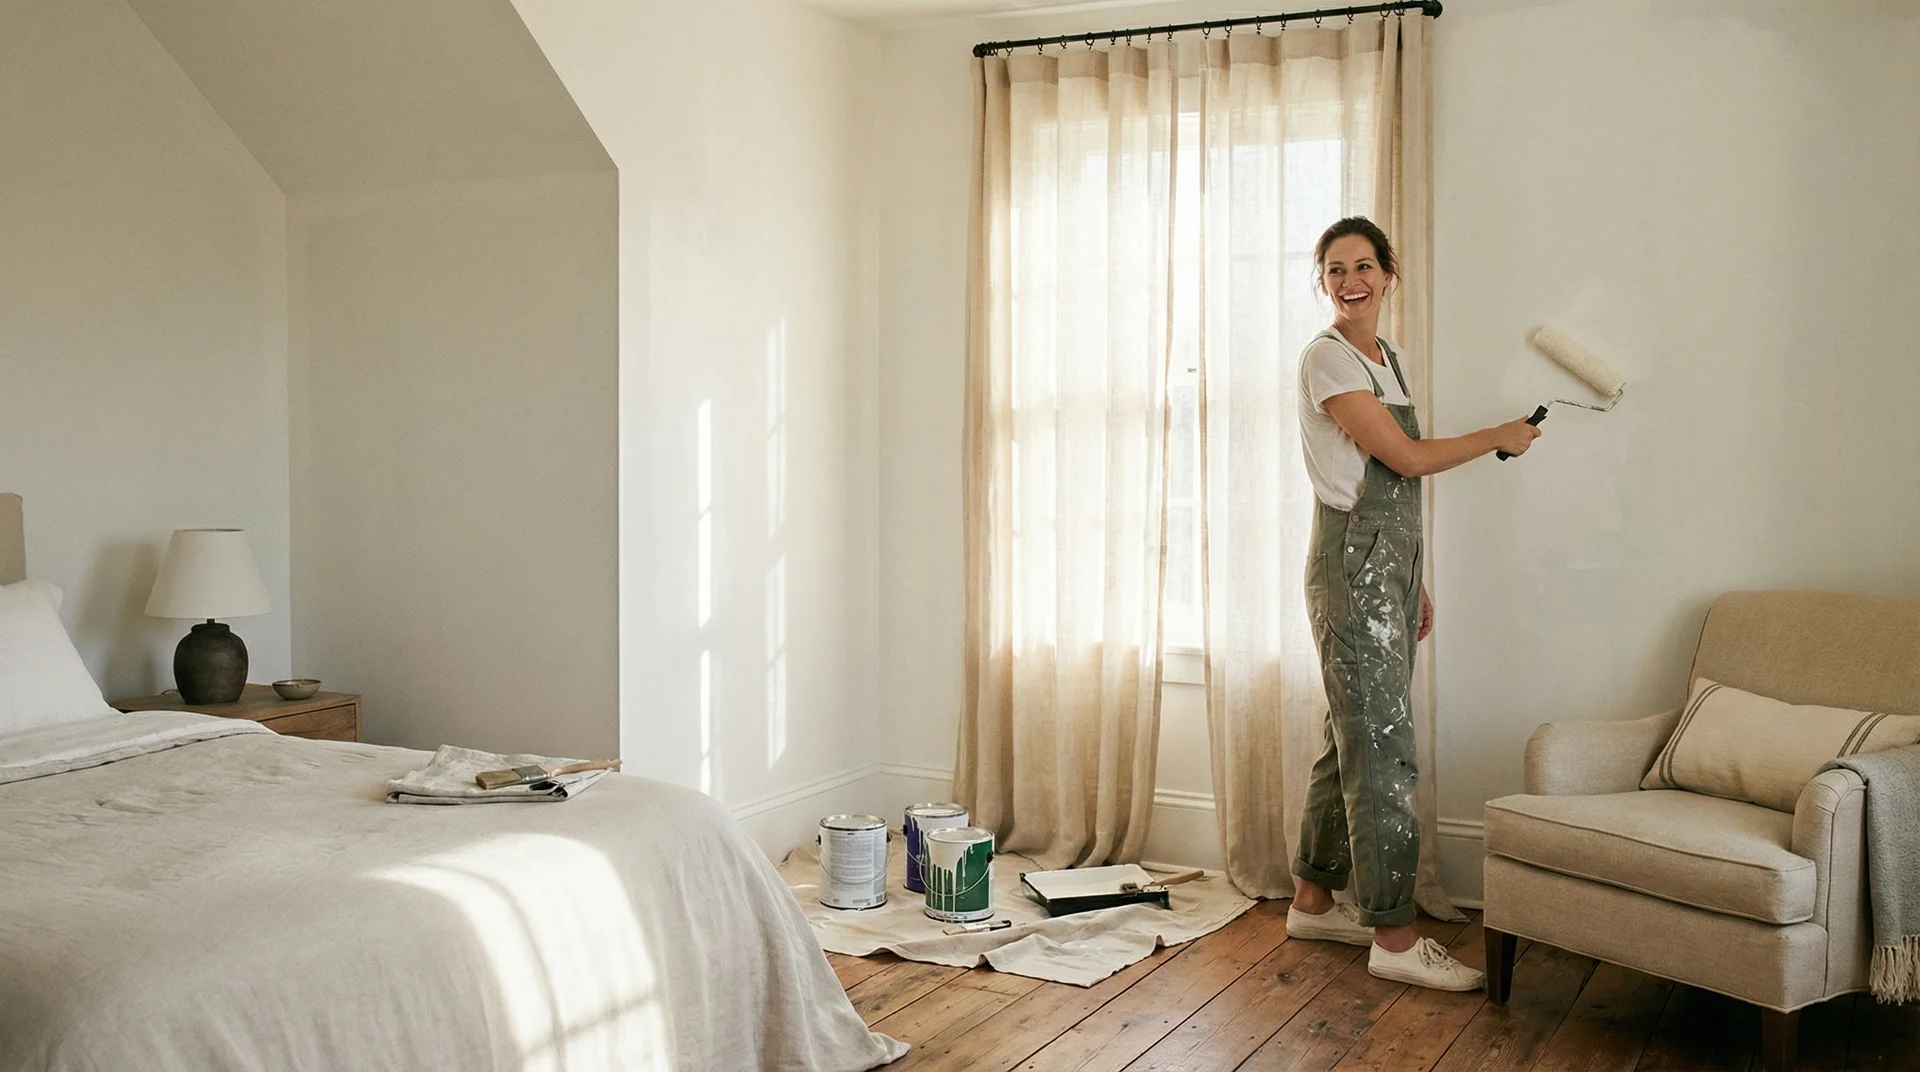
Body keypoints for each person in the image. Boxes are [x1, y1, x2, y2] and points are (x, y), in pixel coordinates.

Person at [1282, 216, 1541, 992]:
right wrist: (1496, 435)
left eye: (1364, 265)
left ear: (1389, 275)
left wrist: (1411, 577)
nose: (1350, 280)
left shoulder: (1384, 359)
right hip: (1351, 567)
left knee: (1348, 736)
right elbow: (1404, 459)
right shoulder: (1329, 359)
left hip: (1383, 569)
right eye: (1335, 269)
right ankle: (1394, 939)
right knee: (1383, 749)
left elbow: (1393, 495)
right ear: (1323, 282)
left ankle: (1313, 898)